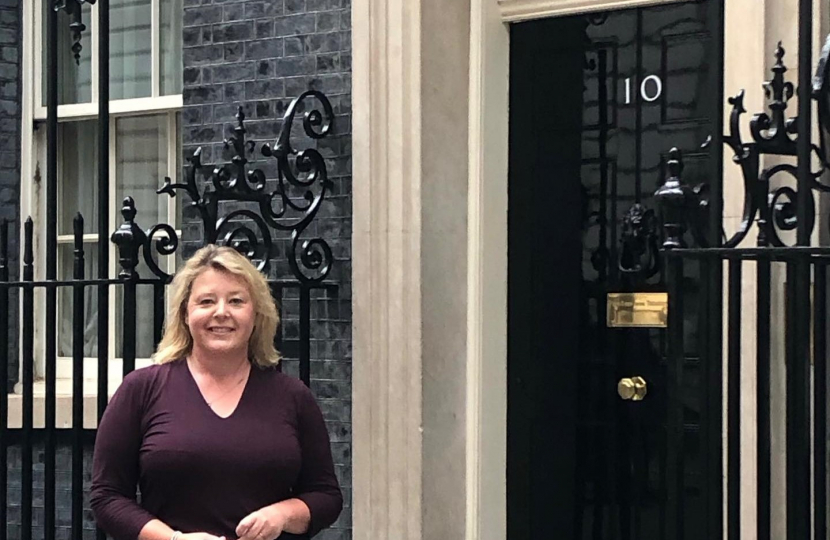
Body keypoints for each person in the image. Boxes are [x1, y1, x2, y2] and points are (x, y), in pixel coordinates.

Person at [90, 245, 343, 540]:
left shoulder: (293, 397)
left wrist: (283, 514)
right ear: (186, 313)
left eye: (236, 301)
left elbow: (326, 496)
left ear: (256, 314)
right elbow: (107, 496)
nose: (221, 313)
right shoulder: (141, 390)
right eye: (206, 301)